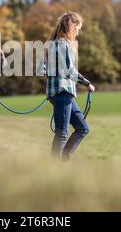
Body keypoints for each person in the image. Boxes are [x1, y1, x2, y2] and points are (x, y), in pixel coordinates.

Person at [38, 12, 95, 161]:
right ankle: (55, 169)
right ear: (72, 26)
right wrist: (87, 83)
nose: (78, 32)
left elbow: (40, 68)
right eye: (77, 29)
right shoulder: (63, 44)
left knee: (83, 128)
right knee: (62, 133)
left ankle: (63, 162)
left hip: (61, 93)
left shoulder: (51, 44)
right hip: (63, 92)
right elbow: (69, 70)